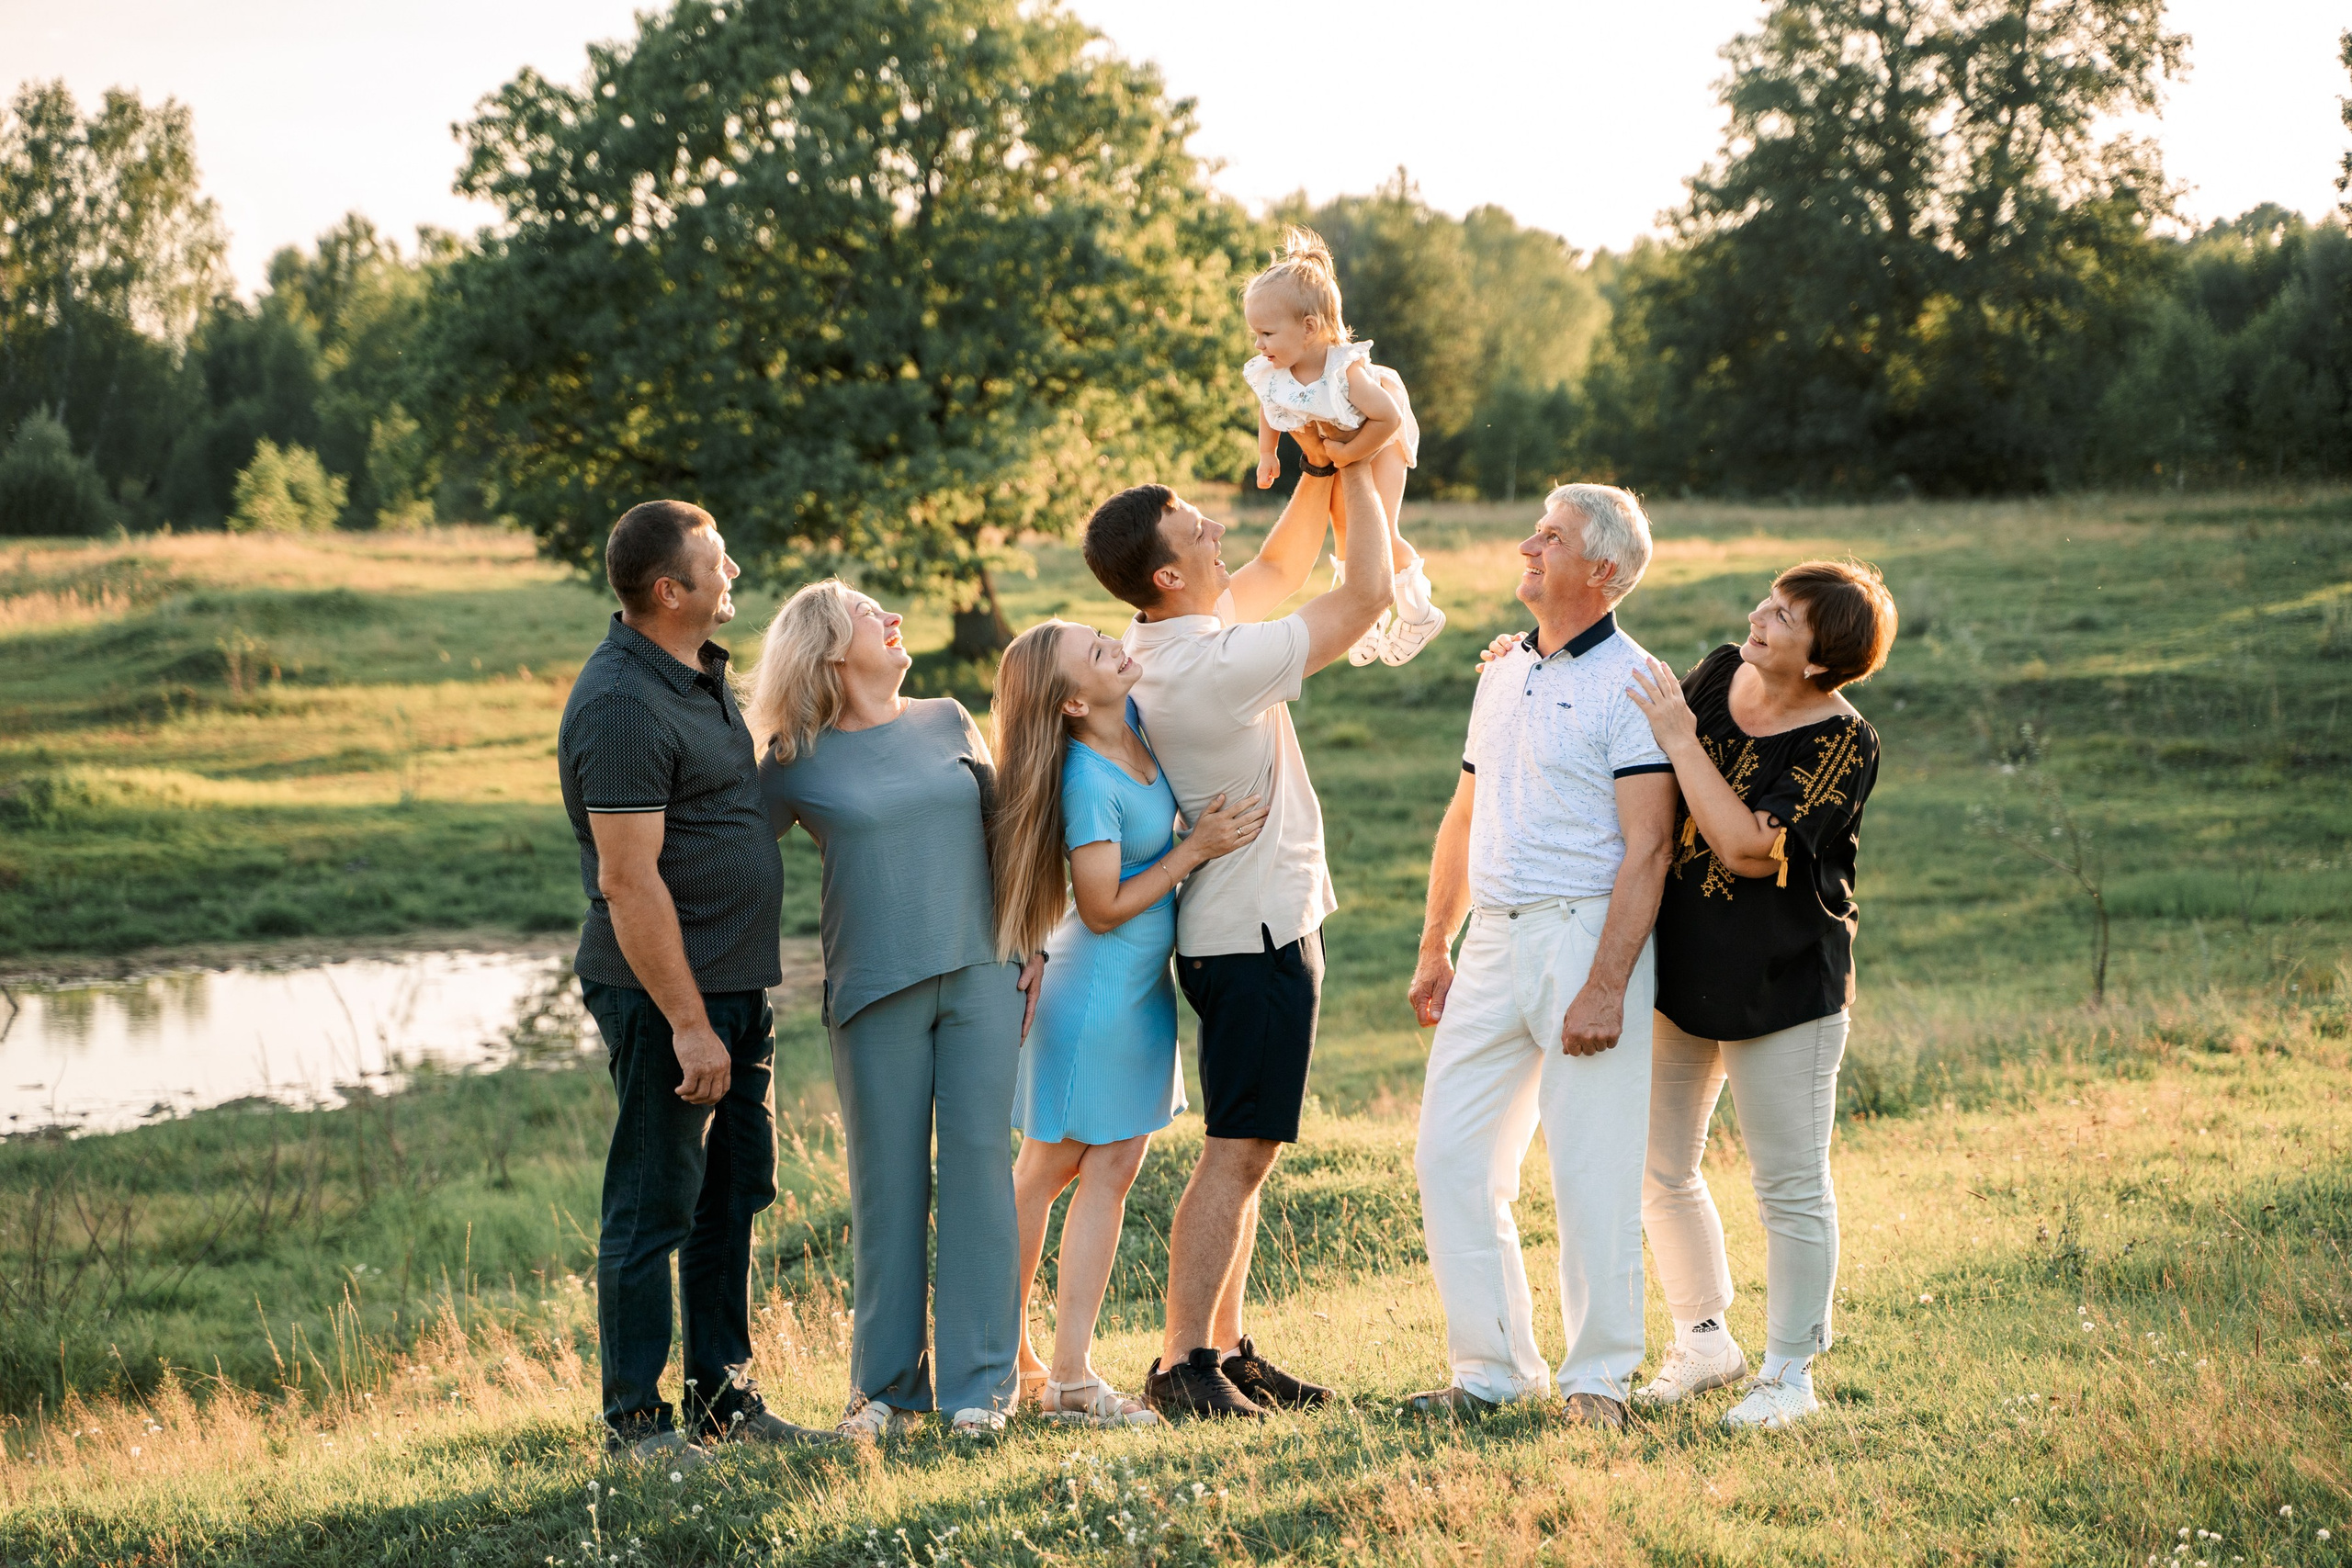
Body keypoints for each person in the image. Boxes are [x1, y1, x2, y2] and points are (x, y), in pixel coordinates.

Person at [1080, 426, 1393, 1420]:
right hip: (1251, 935)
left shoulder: (1172, 637)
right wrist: (1365, 467)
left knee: (1249, 1150)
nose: (1219, 529)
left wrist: (1324, 463)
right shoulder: (1214, 666)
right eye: (1197, 530)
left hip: (1252, 925)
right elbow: (1364, 595)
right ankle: (1184, 1364)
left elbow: (1281, 568)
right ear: (1168, 576)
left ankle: (1228, 1347)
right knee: (1238, 1151)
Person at [556, 499, 836, 1465]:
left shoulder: (695, 672)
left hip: (734, 987)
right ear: (670, 589)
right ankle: (635, 1424)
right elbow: (628, 881)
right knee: (654, 1203)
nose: (734, 573)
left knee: (731, 1191)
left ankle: (723, 1397)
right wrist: (686, 1024)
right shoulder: (621, 704)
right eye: (718, 562)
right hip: (666, 998)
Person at [1403, 483, 1678, 1432]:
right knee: (1449, 1156)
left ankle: (1600, 1380)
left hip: (1583, 935)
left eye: (1550, 537)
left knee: (1591, 1167)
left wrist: (1606, 984)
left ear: (1601, 570)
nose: (1527, 545)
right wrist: (1436, 942)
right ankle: (1491, 1372)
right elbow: (1464, 814)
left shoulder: (1636, 684)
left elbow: (1648, 846)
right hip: (1491, 938)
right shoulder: (1501, 671)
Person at [744, 580, 1045, 1441]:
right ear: (831, 649)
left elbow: (1008, 834)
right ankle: (884, 1392)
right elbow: (733, 851)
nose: (893, 618)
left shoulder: (948, 718)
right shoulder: (793, 760)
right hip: (872, 991)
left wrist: (1035, 941)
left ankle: (979, 1392)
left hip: (984, 975)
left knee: (981, 1171)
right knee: (888, 1187)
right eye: (871, 613)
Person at [1623, 560, 1894, 1430]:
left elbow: (1744, 847)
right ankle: (1704, 1339)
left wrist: (1681, 741)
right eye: (1769, 603)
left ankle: (1789, 1375)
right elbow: (1631, 741)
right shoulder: (1715, 673)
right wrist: (1524, 662)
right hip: (1680, 972)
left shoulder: (1843, 741)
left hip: (1784, 986)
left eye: (1783, 616)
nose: (1758, 618)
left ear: (1819, 660)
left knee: (1789, 1185)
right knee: (1658, 1165)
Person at [989, 619, 1269, 1426]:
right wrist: (1193, 849)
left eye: (1102, 635)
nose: (1114, 645)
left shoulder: (1136, 720)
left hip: (1140, 995)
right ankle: (1019, 1361)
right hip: (1092, 997)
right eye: (1096, 651)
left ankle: (1059, 1368)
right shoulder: (1086, 779)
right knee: (1046, 1170)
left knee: (1109, 1169)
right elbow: (1103, 906)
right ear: (1074, 702)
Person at [1243, 226, 1445, 669]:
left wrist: (1354, 455)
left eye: (1267, 333)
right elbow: (1268, 405)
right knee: (1345, 528)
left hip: (1379, 442)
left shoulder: (1345, 372)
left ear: (1309, 328)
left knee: (1380, 527)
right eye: (1255, 334)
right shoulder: (1276, 368)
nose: (1258, 344)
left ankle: (1419, 611)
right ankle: (1365, 608)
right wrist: (1267, 453)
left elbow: (1388, 417)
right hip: (1341, 445)